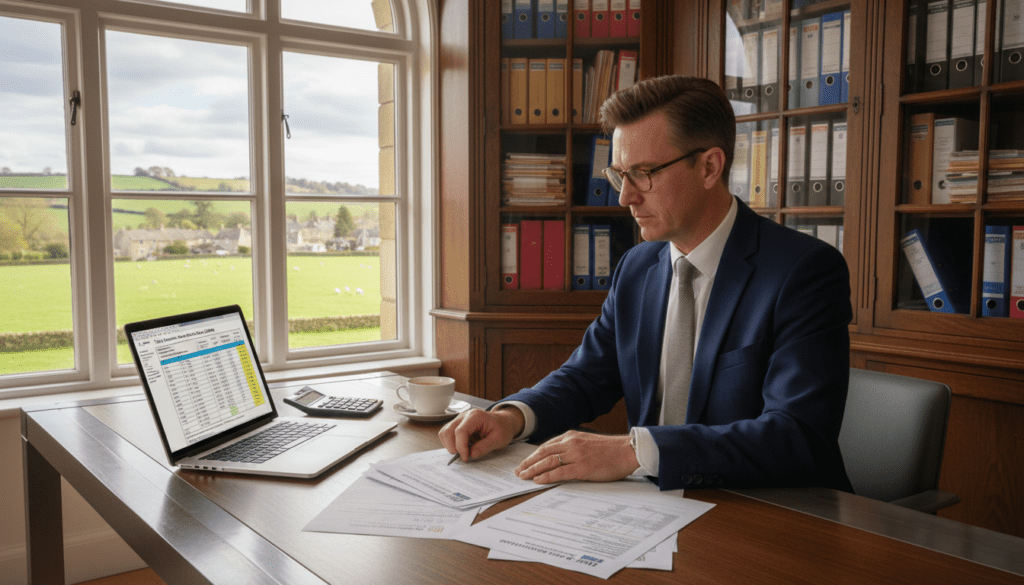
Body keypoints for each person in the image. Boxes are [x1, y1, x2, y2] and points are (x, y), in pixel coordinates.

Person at [439, 75, 853, 492]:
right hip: (656, 508)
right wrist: (512, 417)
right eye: (620, 174)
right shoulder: (638, 267)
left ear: (710, 166)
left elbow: (796, 436)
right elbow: (586, 377)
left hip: (776, 513)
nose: (625, 198)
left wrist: (633, 451)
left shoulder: (803, 272)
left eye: (643, 173)